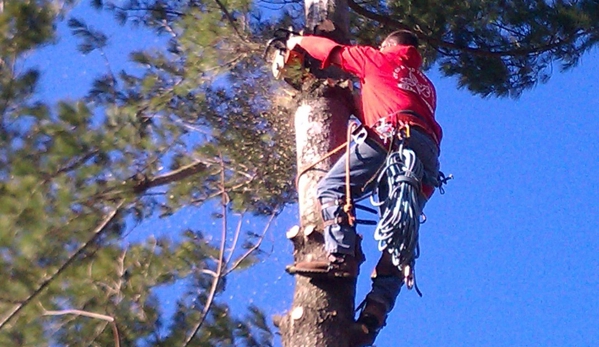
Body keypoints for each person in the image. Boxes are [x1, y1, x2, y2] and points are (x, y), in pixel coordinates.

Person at [285, 30, 443, 346]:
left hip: (390, 137)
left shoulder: (377, 57)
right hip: (425, 155)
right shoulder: (425, 85)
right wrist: (353, 102)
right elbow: (388, 101)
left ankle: (342, 255)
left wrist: (297, 43)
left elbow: (331, 50)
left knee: (331, 187)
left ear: (389, 45)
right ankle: (373, 318)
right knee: (401, 235)